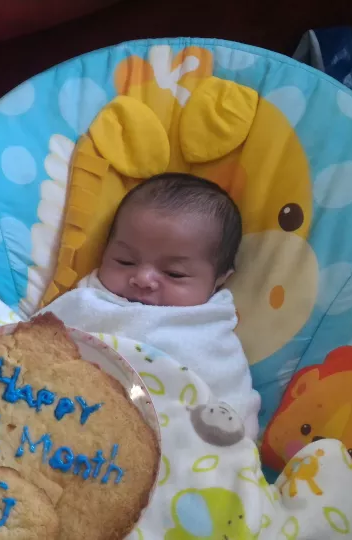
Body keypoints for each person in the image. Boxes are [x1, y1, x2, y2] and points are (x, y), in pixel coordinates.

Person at [42, 173, 262, 439]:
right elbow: (34, 342)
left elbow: (231, 399)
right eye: (125, 261)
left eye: (174, 273)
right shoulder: (89, 302)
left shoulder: (208, 329)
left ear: (218, 280)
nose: (143, 279)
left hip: (175, 447)